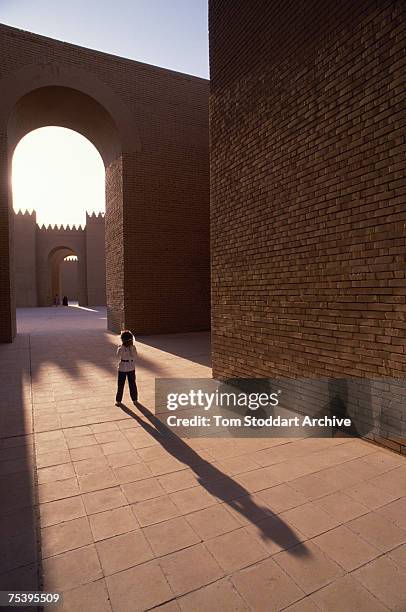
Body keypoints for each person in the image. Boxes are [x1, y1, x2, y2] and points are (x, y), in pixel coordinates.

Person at [115, 330, 138, 406]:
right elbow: (118, 356)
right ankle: (118, 400)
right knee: (120, 384)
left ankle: (134, 399)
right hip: (122, 368)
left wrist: (131, 349)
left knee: (132, 384)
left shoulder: (133, 347)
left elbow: (134, 356)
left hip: (131, 367)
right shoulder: (121, 347)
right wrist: (122, 348)